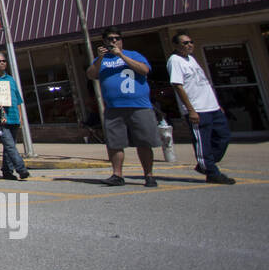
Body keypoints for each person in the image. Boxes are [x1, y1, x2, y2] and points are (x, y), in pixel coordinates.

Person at [85, 27, 157, 187]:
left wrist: (121, 55)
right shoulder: (101, 60)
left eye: (116, 38)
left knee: (144, 142)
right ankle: (117, 174)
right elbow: (91, 74)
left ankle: (149, 175)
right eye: (110, 39)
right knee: (115, 143)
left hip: (139, 106)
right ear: (104, 41)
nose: (113, 41)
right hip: (113, 108)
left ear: (121, 40)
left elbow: (144, 70)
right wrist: (99, 58)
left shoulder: (133, 55)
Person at [167, 32, 235, 184]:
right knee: (202, 142)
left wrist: (217, 105)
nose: (189, 45)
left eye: (191, 42)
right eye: (185, 43)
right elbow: (178, 86)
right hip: (197, 109)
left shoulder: (191, 59)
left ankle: (205, 164)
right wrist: (190, 110)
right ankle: (212, 172)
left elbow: (204, 83)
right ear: (176, 46)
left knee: (223, 136)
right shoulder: (175, 61)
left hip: (212, 107)